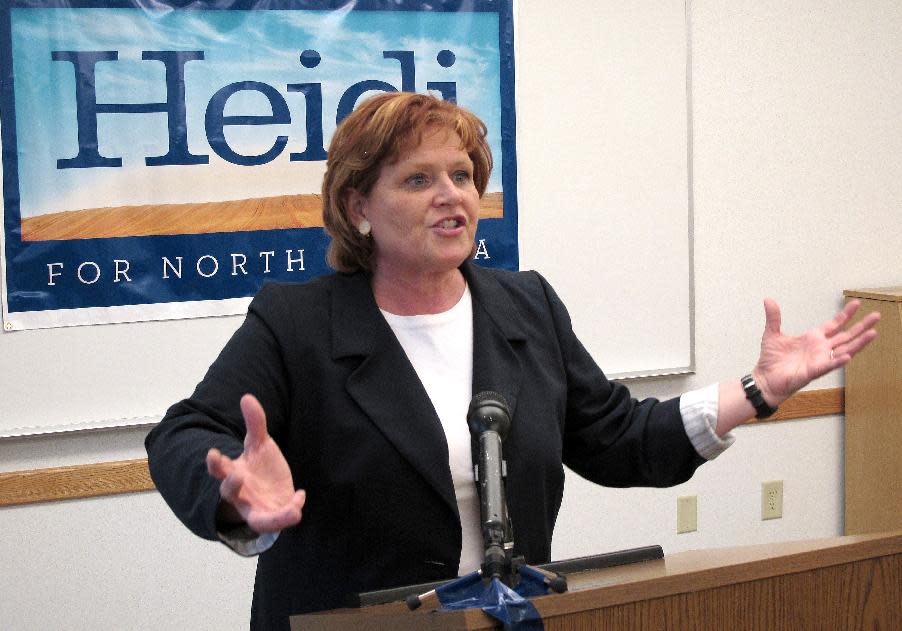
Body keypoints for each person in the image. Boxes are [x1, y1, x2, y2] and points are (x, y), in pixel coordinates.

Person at [145, 92, 879, 630]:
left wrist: (757, 390)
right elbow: (181, 435)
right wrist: (236, 493)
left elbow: (618, 436)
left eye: (462, 176)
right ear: (358, 206)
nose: (451, 197)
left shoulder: (523, 306)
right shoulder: (298, 322)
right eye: (417, 179)